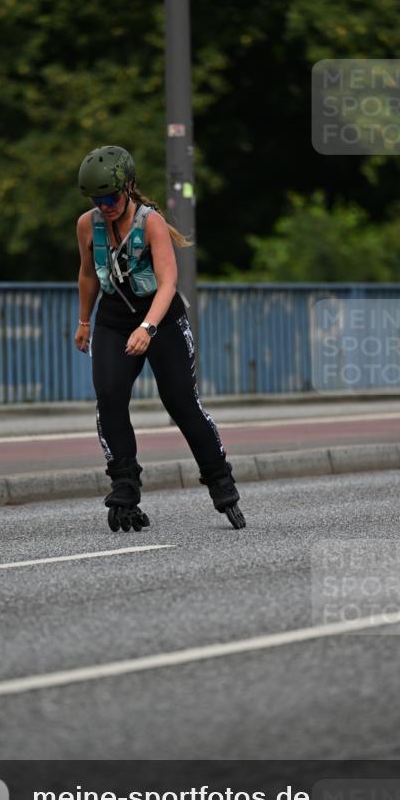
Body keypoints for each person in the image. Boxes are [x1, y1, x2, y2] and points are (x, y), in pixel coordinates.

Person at [74, 144, 246, 530]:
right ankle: (124, 486)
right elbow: (88, 273)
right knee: (110, 397)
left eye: (112, 197)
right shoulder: (87, 224)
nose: (105, 205)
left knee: (182, 403)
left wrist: (147, 327)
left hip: (162, 321)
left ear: (129, 187)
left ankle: (220, 480)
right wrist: (85, 321)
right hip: (113, 321)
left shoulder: (150, 222)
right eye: (97, 199)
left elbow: (169, 282)